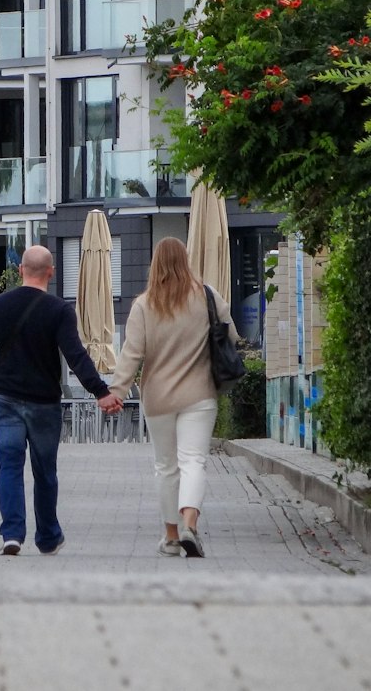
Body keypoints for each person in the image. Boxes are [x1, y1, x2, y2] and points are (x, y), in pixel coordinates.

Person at [0, 244, 122, 556]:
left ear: (21, 270)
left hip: (5, 399)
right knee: (45, 471)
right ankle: (48, 536)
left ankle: (12, 534)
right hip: (44, 403)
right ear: (51, 272)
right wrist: (101, 392)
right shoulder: (59, 310)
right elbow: (76, 355)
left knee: (10, 463)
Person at [109, 236, 238, 559]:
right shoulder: (208, 295)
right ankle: (189, 524)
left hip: (159, 398)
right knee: (194, 460)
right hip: (200, 394)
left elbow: (132, 353)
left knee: (166, 467)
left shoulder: (144, 304)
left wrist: (116, 392)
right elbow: (232, 336)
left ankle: (170, 537)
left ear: (155, 264)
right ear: (185, 260)